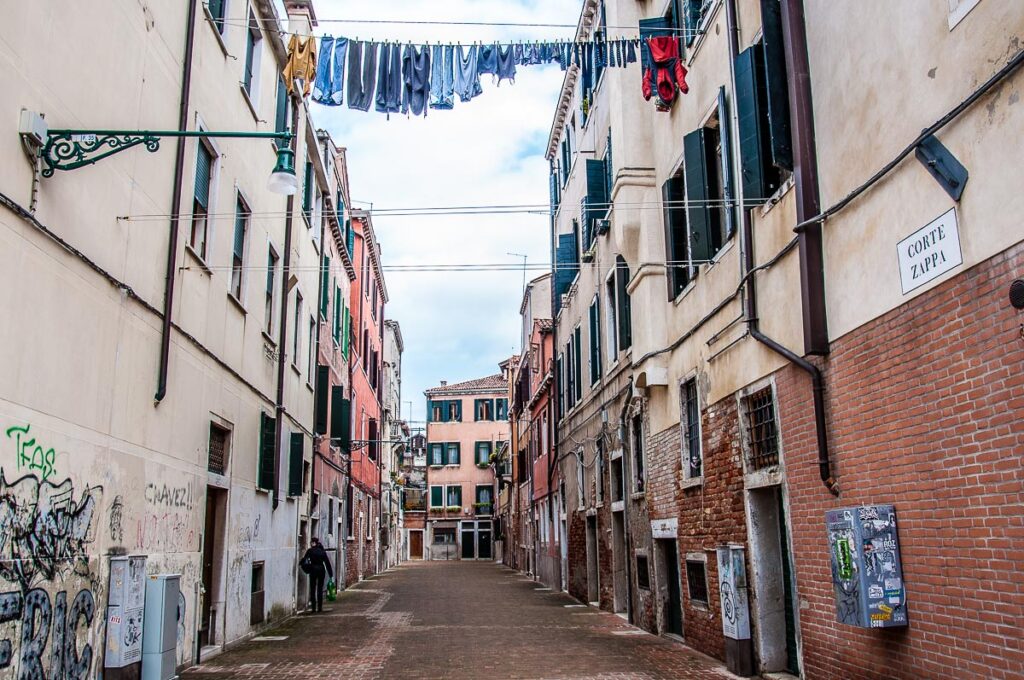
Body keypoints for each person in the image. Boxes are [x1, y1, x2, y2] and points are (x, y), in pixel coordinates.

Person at [301, 537, 333, 612]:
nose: (311, 544)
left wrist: (303, 566)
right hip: (321, 570)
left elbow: (305, 560)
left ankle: (313, 608)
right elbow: (327, 563)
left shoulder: (310, 551)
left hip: (313, 570)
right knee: (320, 589)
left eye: (311, 542)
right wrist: (330, 574)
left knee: (312, 589)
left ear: (313, 543)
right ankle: (320, 607)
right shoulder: (322, 551)